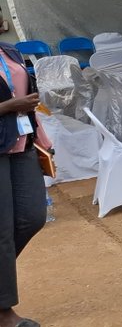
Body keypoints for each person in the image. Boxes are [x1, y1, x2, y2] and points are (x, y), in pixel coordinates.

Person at [0, 41, 45, 327]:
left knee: (32, 216)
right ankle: (5, 314)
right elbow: (16, 101)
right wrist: (9, 106)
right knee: (1, 231)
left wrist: (41, 139)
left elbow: (28, 98)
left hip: (22, 144)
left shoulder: (10, 52)